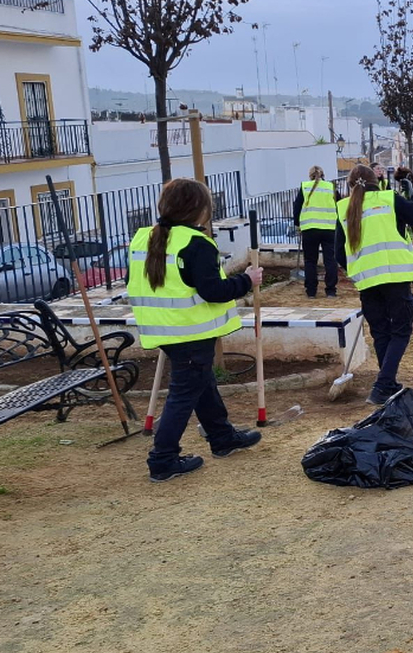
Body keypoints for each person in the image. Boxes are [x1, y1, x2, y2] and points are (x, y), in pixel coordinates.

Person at [127, 178, 263, 482]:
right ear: (199, 210)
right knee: (183, 393)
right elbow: (212, 290)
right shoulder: (195, 243)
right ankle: (162, 459)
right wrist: (247, 280)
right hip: (190, 331)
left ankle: (222, 437)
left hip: (166, 330)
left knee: (201, 383)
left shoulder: (143, 239)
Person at [336, 164, 413, 405]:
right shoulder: (389, 199)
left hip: (367, 280)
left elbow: (338, 253)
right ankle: (382, 385)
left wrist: (357, 270)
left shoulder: (343, 207)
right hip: (395, 276)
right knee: (401, 330)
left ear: (350, 185)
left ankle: (388, 383)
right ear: (376, 181)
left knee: (380, 331)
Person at [292, 165, 338, 299]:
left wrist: (297, 224)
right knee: (330, 260)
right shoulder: (330, 187)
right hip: (329, 228)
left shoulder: (305, 186)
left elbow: (297, 206)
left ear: (310, 175)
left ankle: (311, 291)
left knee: (310, 260)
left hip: (310, 228)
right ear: (323, 174)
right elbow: (338, 204)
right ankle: (331, 290)